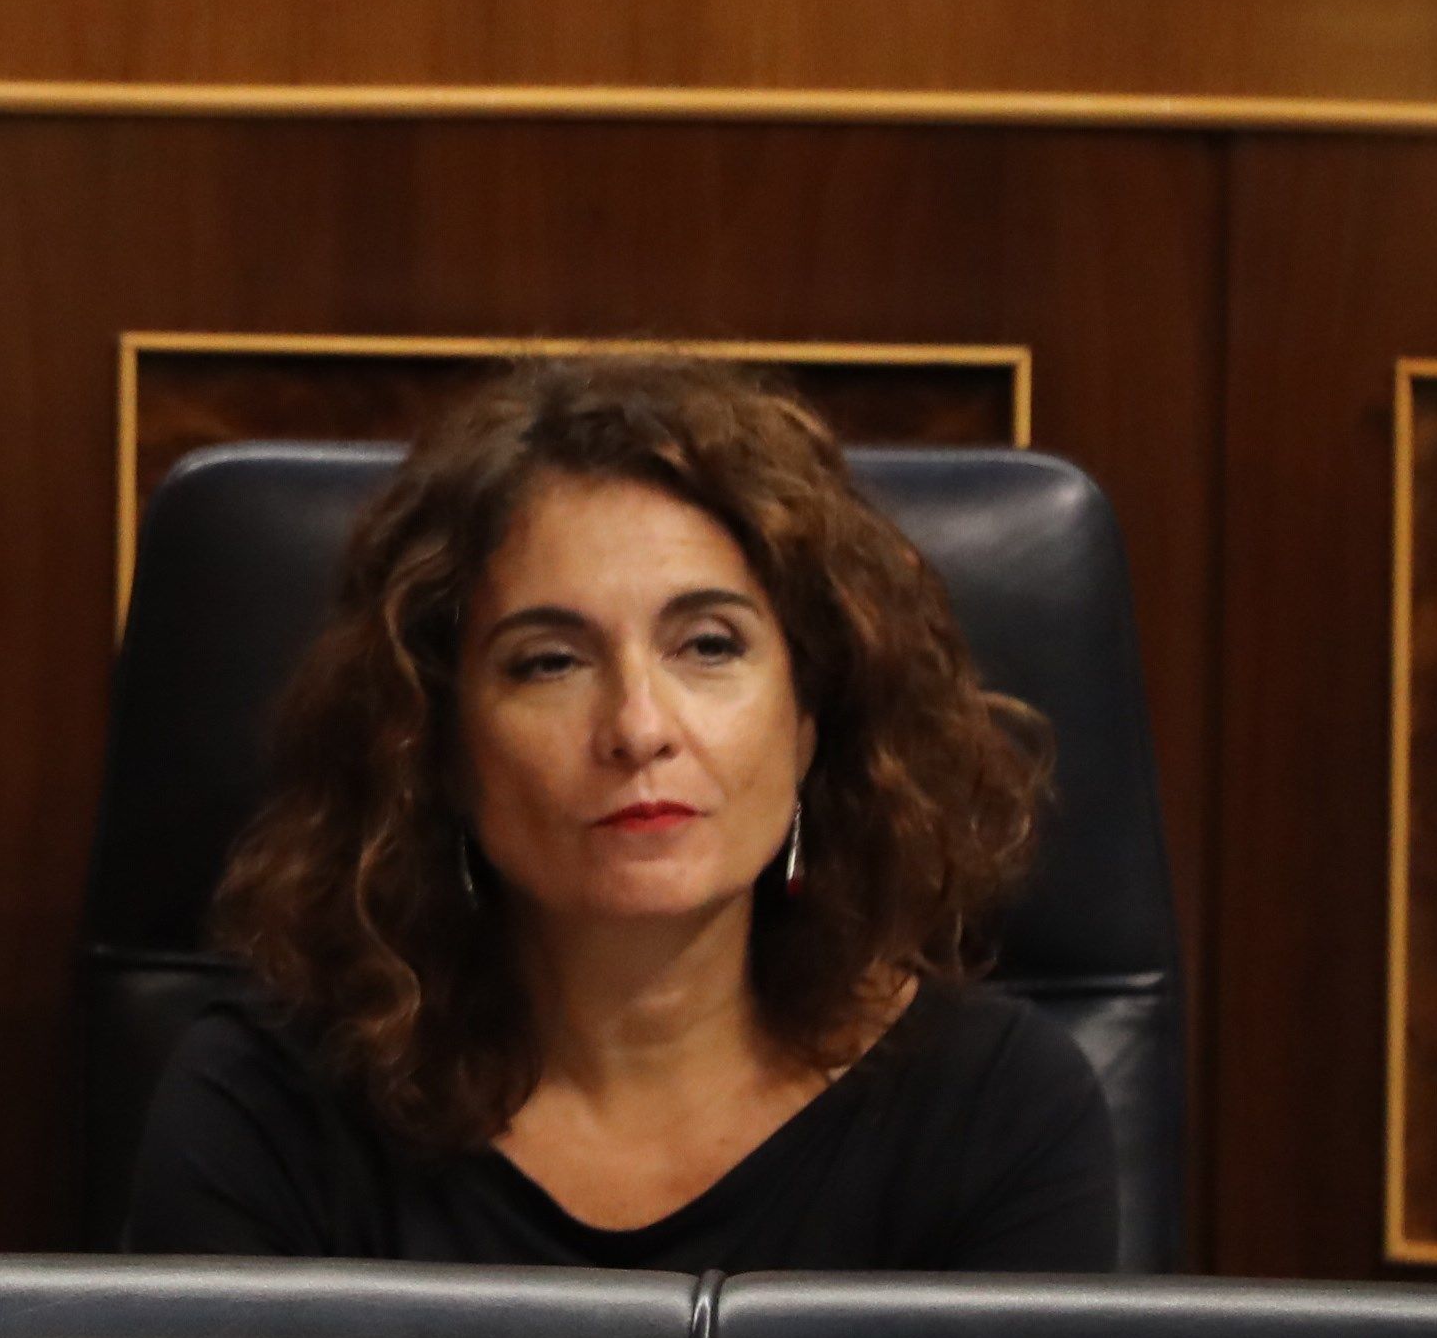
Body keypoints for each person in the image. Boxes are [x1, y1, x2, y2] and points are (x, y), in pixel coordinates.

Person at [127, 358, 1118, 1268]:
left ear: (810, 716)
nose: (637, 728)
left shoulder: (993, 1108)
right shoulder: (267, 1107)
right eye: (548, 661)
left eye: (708, 646)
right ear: (433, 744)